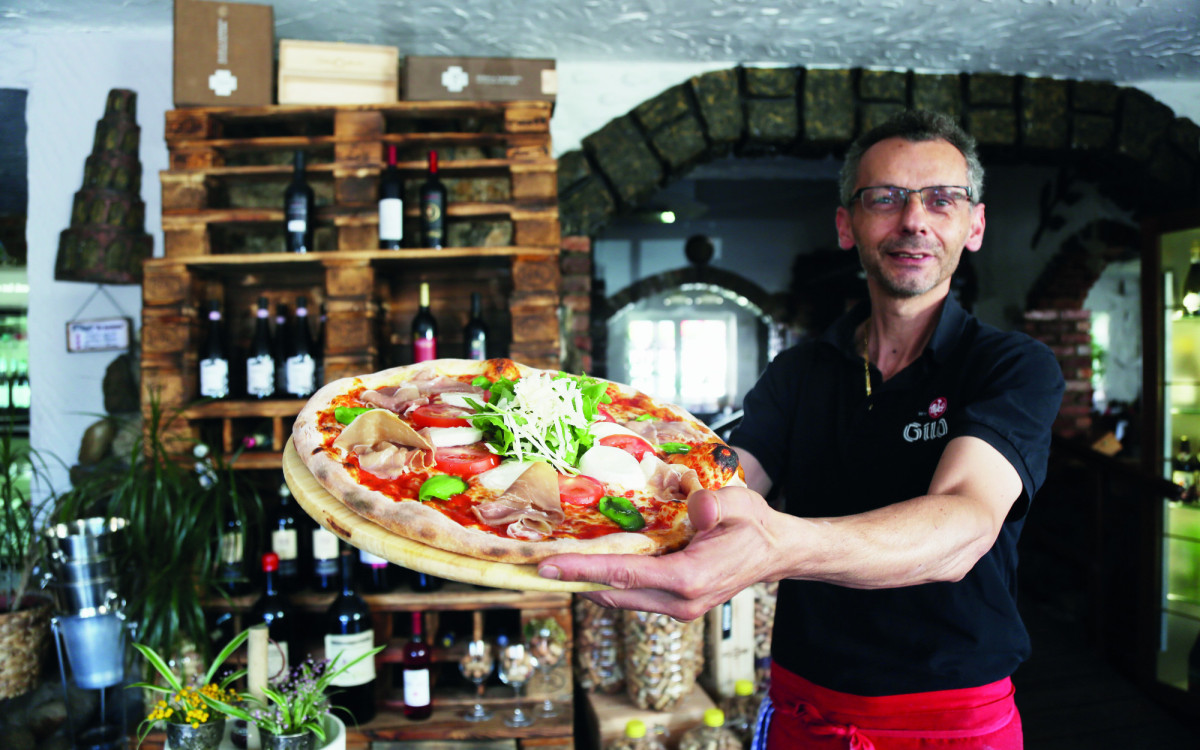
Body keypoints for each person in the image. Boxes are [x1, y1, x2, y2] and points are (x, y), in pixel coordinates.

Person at [538, 110, 1065, 749]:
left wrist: (780, 546)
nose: (913, 219)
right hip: (804, 706)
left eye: (941, 199)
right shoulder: (800, 371)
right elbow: (717, 486)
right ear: (847, 224)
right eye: (885, 197)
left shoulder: (1011, 366)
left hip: (950, 717)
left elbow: (963, 526)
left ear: (974, 225)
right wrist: (580, 483)